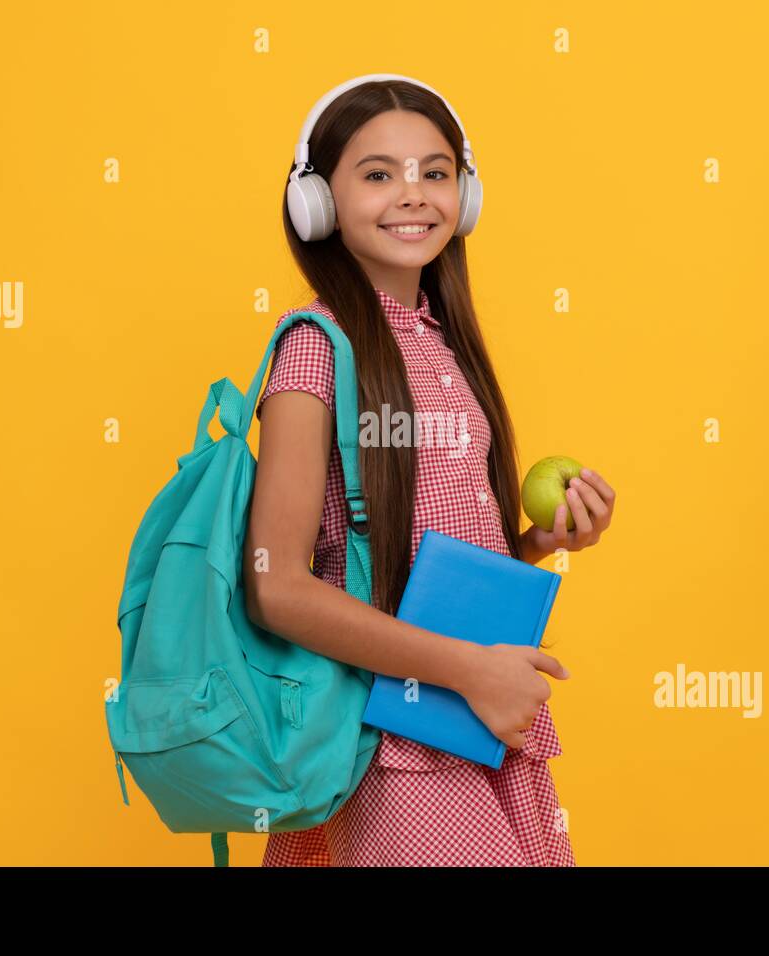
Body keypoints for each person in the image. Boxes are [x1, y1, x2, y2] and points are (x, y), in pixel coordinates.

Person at [244, 76, 616, 866]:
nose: (412, 195)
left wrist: (535, 543)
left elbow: (418, 568)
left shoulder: (443, 342)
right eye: (377, 174)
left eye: (435, 172)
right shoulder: (317, 347)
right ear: (317, 203)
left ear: (465, 195)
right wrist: (469, 671)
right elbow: (275, 584)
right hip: (387, 738)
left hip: (465, 719)